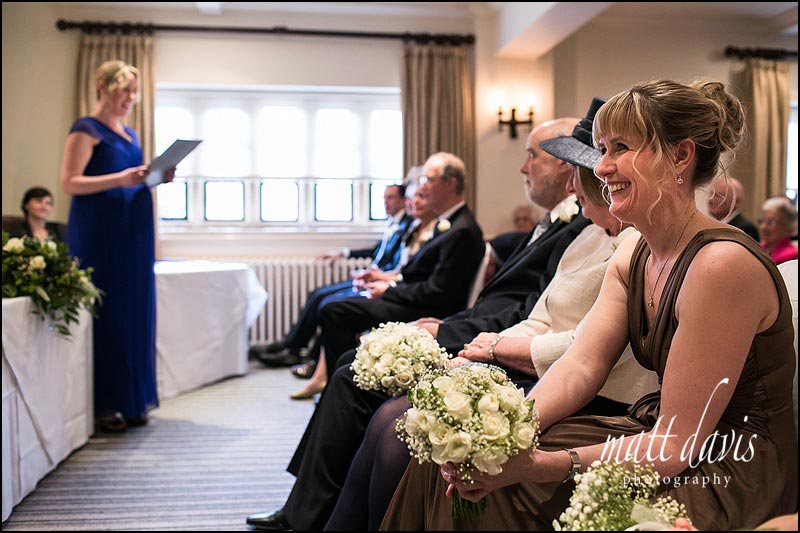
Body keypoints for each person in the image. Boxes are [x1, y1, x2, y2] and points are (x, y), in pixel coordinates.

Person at [381, 80, 797, 531]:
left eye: (620, 147)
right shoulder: (634, 249)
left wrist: (537, 464)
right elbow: (580, 366)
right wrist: (504, 433)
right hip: (654, 436)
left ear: (680, 156)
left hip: (721, 468)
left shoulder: (720, 266)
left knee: (508, 490)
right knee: (451, 460)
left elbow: (677, 445)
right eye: (602, 149)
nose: (601, 167)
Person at [325, 98, 662, 530]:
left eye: (607, 160)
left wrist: (499, 354)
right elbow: (540, 315)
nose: (581, 186)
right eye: (597, 161)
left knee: (403, 424)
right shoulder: (587, 238)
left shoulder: (636, 243)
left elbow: (591, 351)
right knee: (395, 417)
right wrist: (480, 351)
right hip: (542, 365)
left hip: (583, 388)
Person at [244, 118, 591, 531]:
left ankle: (310, 513)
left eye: (532, 155)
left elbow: (522, 310)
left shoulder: (576, 227)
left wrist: (446, 331)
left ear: (566, 168)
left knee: (358, 378)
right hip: (478, 330)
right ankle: (309, 505)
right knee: (349, 364)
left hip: (497, 347)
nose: (522, 167)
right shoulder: (556, 223)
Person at [60, 60, 173, 433]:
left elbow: (131, 181)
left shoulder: (131, 134)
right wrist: (120, 178)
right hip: (99, 232)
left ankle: (132, 398)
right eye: (124, 89)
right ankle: (107, 404)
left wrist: (154, 177)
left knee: (133, 311)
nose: (130, 98)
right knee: (107, 313)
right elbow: (70, 183)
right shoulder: (85, 129)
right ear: (103, 86)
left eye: (133, 91)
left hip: (130, 231)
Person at [317, 152, 486, 375]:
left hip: (426, 311)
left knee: (334, 311)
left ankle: (349, 379)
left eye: (429, 180)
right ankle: (348, 376)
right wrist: (388, 284)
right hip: (412, 300)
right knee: (332, 304)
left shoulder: (462, 229)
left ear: (450, 184)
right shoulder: (445, 223)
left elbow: (438, 292)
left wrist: (389, 290)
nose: (422, 188)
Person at [289, 186, 438, 400]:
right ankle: (312, 363)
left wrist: (386, 282)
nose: (412, 202)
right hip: (393, 284)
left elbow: (417, 279)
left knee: (333, 307)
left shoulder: (431, 231)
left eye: (420, 197)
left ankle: (324, 374)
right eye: (413, 197)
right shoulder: (414, 229)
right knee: (323, 298)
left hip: (406, 296)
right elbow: (401, 270)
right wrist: (379, 277)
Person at [255, 183, 414, 368]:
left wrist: (379, 276)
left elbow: (399, 265)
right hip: (372, 276)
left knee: (328, 302)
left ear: (404, 200)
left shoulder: (408, 226)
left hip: (380, 281)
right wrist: (343, 252)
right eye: (384, 197)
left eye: (390, 197)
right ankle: (292, 345)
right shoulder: (392, 223)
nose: (385, 202)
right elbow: (375, 251)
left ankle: (301, 353)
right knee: (317, 294)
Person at [706, 176, 759, 241]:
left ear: (736, 201)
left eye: (718, 195)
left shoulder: (744, 229)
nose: (712, 199)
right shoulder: (710, 227)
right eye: (711, 194)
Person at [758, 196, 798, 265]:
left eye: (771, 222)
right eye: (762, 221)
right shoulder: (758, 248)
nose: (763, 227)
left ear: (788, 227)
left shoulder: (792, 255)